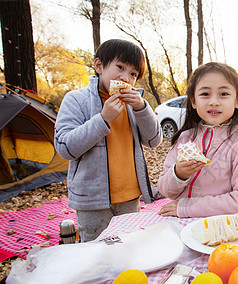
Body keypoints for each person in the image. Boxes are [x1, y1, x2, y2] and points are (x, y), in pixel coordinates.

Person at [54, 39, 162, 242]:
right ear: (99, 66)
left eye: (133, 74)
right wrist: (103, 119)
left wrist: (142, 108)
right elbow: (64, 147)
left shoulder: (133, 104)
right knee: (97, 252)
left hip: (130, 196)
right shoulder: (77, 100)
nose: (125, 78)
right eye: (120, 67)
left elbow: (154, 140)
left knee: (128, 247)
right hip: (93, 200)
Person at [157, 62, 238, 218]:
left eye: (224, 94)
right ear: (193, 101)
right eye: (205, 94)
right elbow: (165, 190)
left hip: (220, 227)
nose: (214, 101)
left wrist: (187, 208)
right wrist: (179, 174)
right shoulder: (185, 139)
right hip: (177, 225)